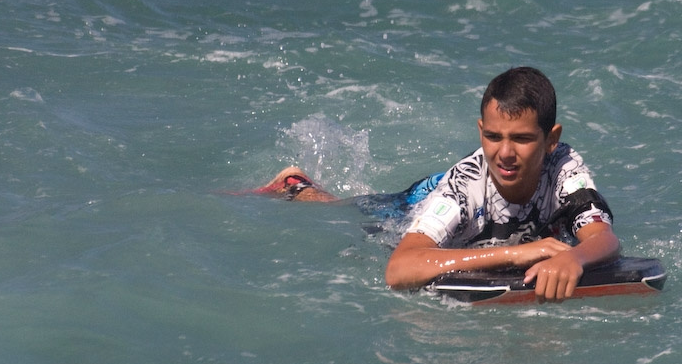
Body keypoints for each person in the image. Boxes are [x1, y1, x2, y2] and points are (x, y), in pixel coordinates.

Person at [249, 67, 621, 302]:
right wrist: (514, 254)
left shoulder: (564, 167)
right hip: (413, 206)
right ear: (480, 131)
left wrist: (574, 258)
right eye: (493, 137)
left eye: (521, 139)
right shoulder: (464, 187)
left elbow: (603, 238)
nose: (505, 153)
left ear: (551, 139)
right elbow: (399, 269)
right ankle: (295, 186)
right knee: (352, 208)